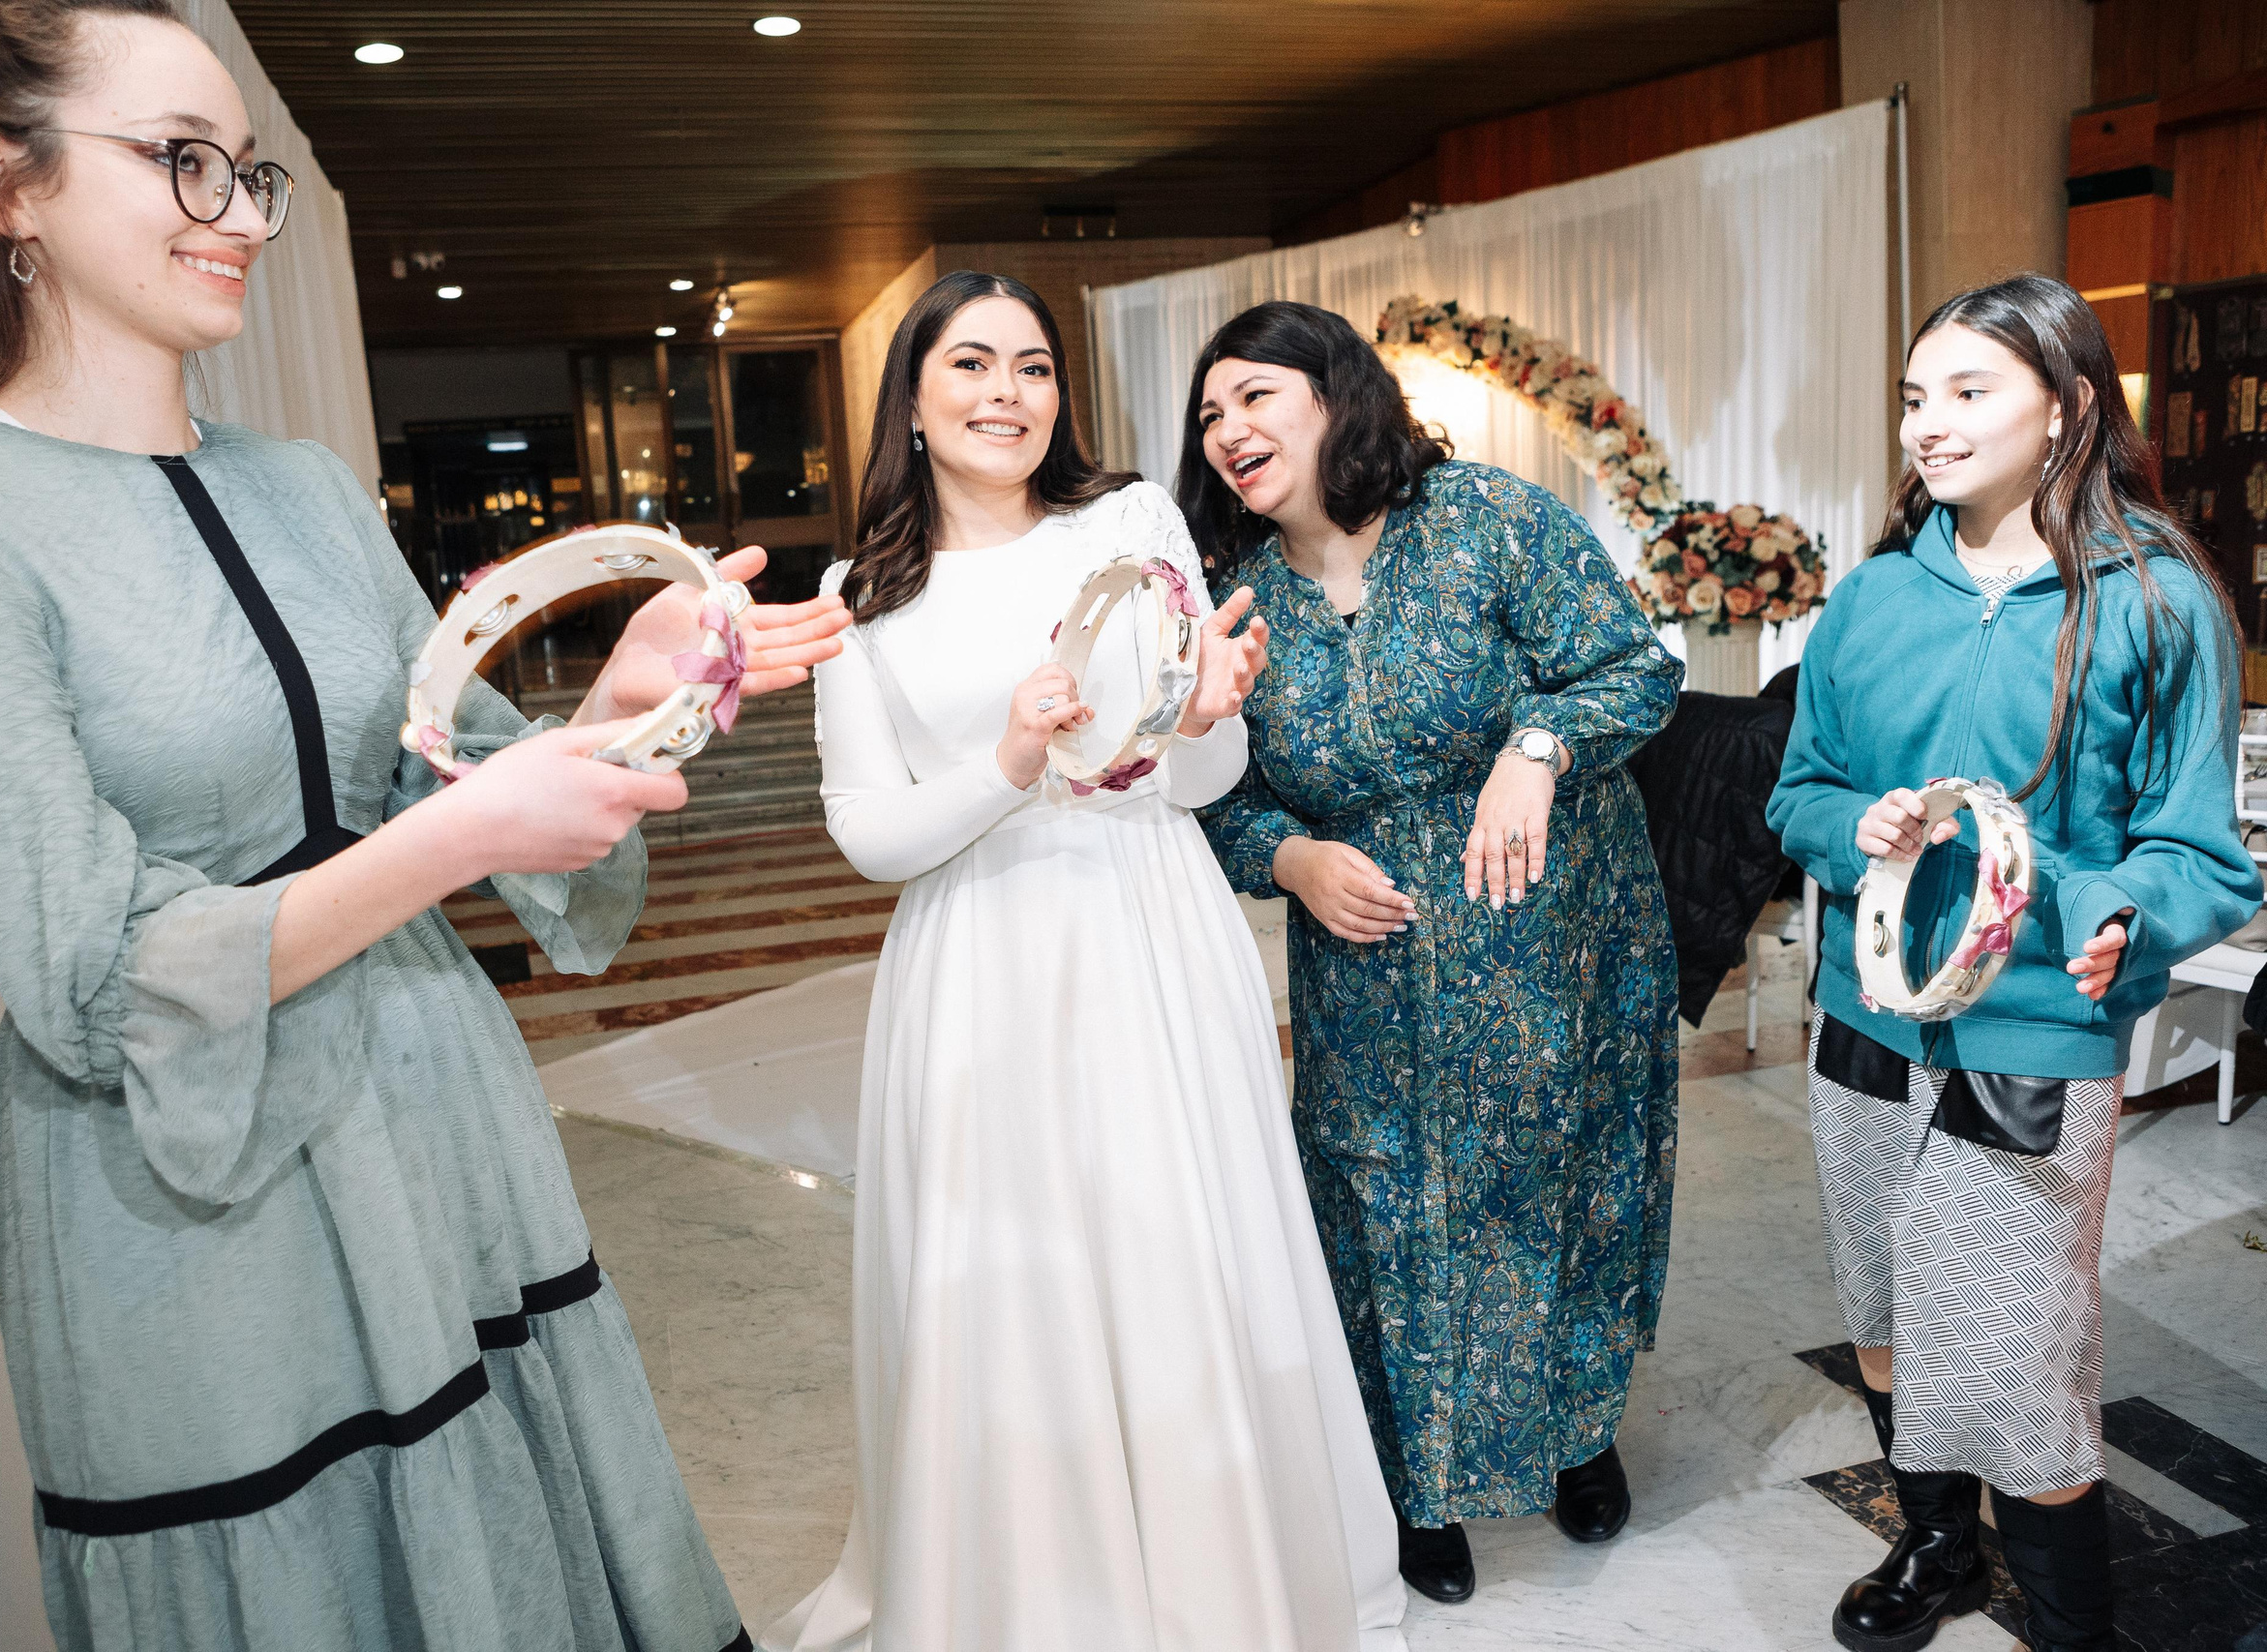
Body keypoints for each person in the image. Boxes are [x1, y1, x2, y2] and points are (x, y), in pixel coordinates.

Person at [0, 4, 847, 1647]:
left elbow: (457, 775)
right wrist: (460, 833)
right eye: (181, 163)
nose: (237, 216)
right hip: (191, 1207)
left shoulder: (301, 486)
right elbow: (85, 975)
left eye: (250, 173)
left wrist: (626, 698)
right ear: (5, 181)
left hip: (438, 1113)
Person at [765, 271, 1406, 1652]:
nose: (1009, 394)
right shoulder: (862, 592)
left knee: (1184, 1244)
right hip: (981, 958)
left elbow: (1194, 774)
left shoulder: (1127, 523)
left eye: (1035, 367)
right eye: (974, 366)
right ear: (916, 404)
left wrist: (1206, 717)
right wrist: (1004, 765)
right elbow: (870, 835)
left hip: (1149, 925)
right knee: (1016, 1276)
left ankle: (1216, 1576)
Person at [1768, 274, 2257, 1652]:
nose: (1929, 423)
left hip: (2034, 1031)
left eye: (1969, 391)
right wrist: (1842, 824)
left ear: (2071, 408)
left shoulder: (2158, 603)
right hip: (1866, 1015)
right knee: (1878, 1305)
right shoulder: (1870, 599)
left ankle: (2070, 1617)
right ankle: (1935, 1548)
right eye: (1916, 396)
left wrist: (2113, 912)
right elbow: (1796, 789)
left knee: (2018, 1350)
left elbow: (2201, 854)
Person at [1177, 300, 1682, 1605]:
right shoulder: (1229, 600)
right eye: (1211, 412)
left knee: (1558, 1176)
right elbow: (1208, 787)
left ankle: (1577, 1433)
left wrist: (1536, 747)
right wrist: (1289, 858)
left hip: (1558, 934)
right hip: (1370, 964)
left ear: (1338, 394)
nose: (1231, 430)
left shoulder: (1488, 520)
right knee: (1383, 1202)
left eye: (1257, 397)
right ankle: (1419, 1477)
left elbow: (1636, 668)